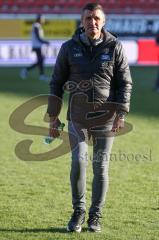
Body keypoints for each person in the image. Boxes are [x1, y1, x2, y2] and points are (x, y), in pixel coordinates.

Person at [47, 3, 132, 233]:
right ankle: (79, 212)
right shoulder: (69, 47)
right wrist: (53, 116)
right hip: (77, 117)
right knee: (78, 162)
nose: (92, 22)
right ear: (81, 21)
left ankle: (95, 216)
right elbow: (56, 83)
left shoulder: (115, 46)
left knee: (101, 167)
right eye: (87, 19)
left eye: (96, 18)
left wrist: (121, 113)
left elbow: (125, 82)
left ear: (103, 22)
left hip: (106, 118)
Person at [20, 14, 50, 81]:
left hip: (38, 45)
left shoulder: (37, 26)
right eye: (43, 19)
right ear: (39, 19)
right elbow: (38, 37)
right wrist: (45, 42)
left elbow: (39, 37)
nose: (43, 20)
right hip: (37, 46)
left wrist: (43, 42)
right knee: (41, 61)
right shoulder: (36, 26)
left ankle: (28, 71)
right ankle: (27, 70)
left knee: (40, 61)